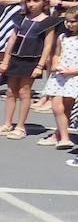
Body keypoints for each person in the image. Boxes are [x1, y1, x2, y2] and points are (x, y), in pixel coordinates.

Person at [0, 0, 57, 140]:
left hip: (32, 59)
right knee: (10, 91)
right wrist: (5, 60)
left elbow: (47, 45)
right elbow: (12, 39)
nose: (31, 4)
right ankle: (7, 124)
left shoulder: (48, 21)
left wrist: (40, 66)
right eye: (28, 1)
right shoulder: (21, 17)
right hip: (15, 58)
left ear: (45, 3)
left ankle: (20, 127)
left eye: (35, 1)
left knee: (24, 92)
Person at [41, 11, 78, 152]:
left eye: (73, 21)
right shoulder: (62, 37)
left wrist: (72, 72)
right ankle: (63, 137)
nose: (69, 24)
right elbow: (56, 54)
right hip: (60, 77)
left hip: (73, 76)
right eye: (67, 21)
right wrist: (56, 64)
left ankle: (61, 135)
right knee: (57, 107)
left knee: (67, 108)